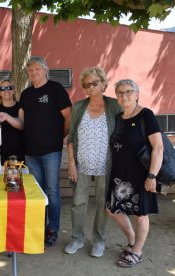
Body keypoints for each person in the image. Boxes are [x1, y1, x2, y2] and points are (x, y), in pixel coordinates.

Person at [0, 56, 72, 247]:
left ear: (46, 69)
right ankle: (38, 227)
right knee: (36, 192)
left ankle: (52, 228)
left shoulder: (56, 89)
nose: (34, 72)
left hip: (51, 150)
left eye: (38, 68)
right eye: (30, 70)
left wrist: (62, 136)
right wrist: (6, 116)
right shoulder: (26, 95)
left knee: (52, 190)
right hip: (31, 152)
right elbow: (21, 124)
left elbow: (68, 116)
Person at [64, 67, 121, 257]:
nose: (91, 87)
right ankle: (77, 238)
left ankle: (99, 240)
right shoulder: (79, 107)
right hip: (81, 165)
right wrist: (71, 163)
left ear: (104, 83)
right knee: (78, 202)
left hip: (106, 165)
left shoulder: (114, 106)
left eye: (95, 83)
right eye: (87, 84)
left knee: (102, 203)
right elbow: (71, 137)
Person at [106, 79, 163, 268]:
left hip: (141, 174)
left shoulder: (146, 115)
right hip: (120, 174)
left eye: (129, 92)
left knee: (141, 213)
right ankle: (132, 240)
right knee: (111, 209)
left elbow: (158, 147)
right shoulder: (118, 117)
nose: (124, 96)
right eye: (120, 92)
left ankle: (137, 250)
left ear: (137, 94)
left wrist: (152, 176)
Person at [0, 79, 24, 164]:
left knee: (17, 176)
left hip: (19, 150)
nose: (6, 90)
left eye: (9, 87)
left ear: (14, 90)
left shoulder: (20, 106)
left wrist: (7, 116)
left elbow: (22, 126)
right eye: (3, 88)